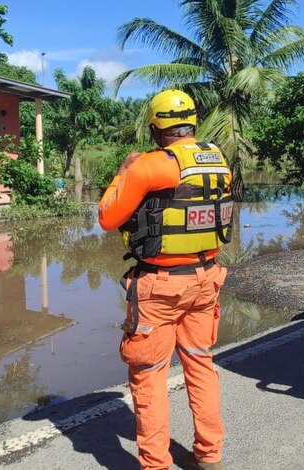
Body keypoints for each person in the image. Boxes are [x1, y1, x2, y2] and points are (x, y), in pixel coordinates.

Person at [98, 89, 233, 470]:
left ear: (156, 129)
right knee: (200, 363)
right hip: (206, 278)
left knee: (149, 375)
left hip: (160, 285)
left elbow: (107, 216)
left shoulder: (149, 166)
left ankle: (155, 465)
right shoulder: (218, 160)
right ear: (192, 122)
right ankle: (209, 456)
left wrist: (124, 170)